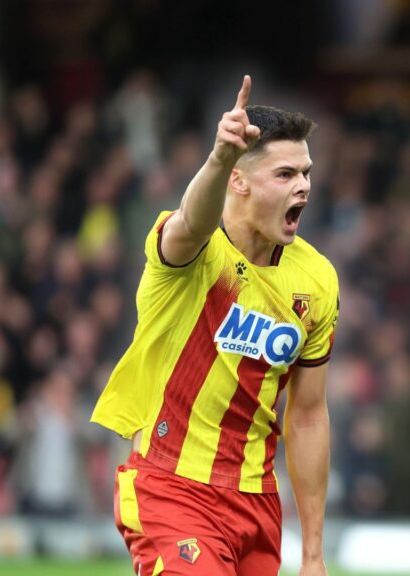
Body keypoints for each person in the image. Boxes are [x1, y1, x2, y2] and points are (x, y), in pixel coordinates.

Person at [91, 76, 338, 576]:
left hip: (256, 503)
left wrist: (313, 553)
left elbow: (309, 415)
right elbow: (192, 220)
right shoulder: (195, 251)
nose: (303, 186)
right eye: (285, 174)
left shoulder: (317, 280)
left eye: (306, 173)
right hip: (171, 488)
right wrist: (219, 157)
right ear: (239, 181)